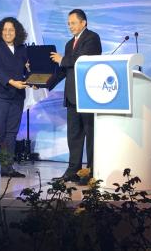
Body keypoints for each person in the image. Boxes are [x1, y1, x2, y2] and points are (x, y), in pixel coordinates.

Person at [50, 9, 102, 183]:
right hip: (72, 97)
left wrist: (62, 59)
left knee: (91, 136)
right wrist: (44, 83)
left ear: (83, 23)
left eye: (73, 23)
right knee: (74, 136)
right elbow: (63, 71)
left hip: (88, 96)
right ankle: (73, 171)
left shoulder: (92, 38)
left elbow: (83, 59)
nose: (70, 26)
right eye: (69, 23)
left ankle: (92, 172)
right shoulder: (68, 44)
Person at [0, 17, 30, 179]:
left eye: (11, 30)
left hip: (16, 97)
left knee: (10, 133)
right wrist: (11, 82)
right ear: (0, 32)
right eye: (5, 30)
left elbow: (29, 70)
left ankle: (6, 168)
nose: (8, 33)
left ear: (17, 32)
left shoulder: (23, 49)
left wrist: (34, 80)